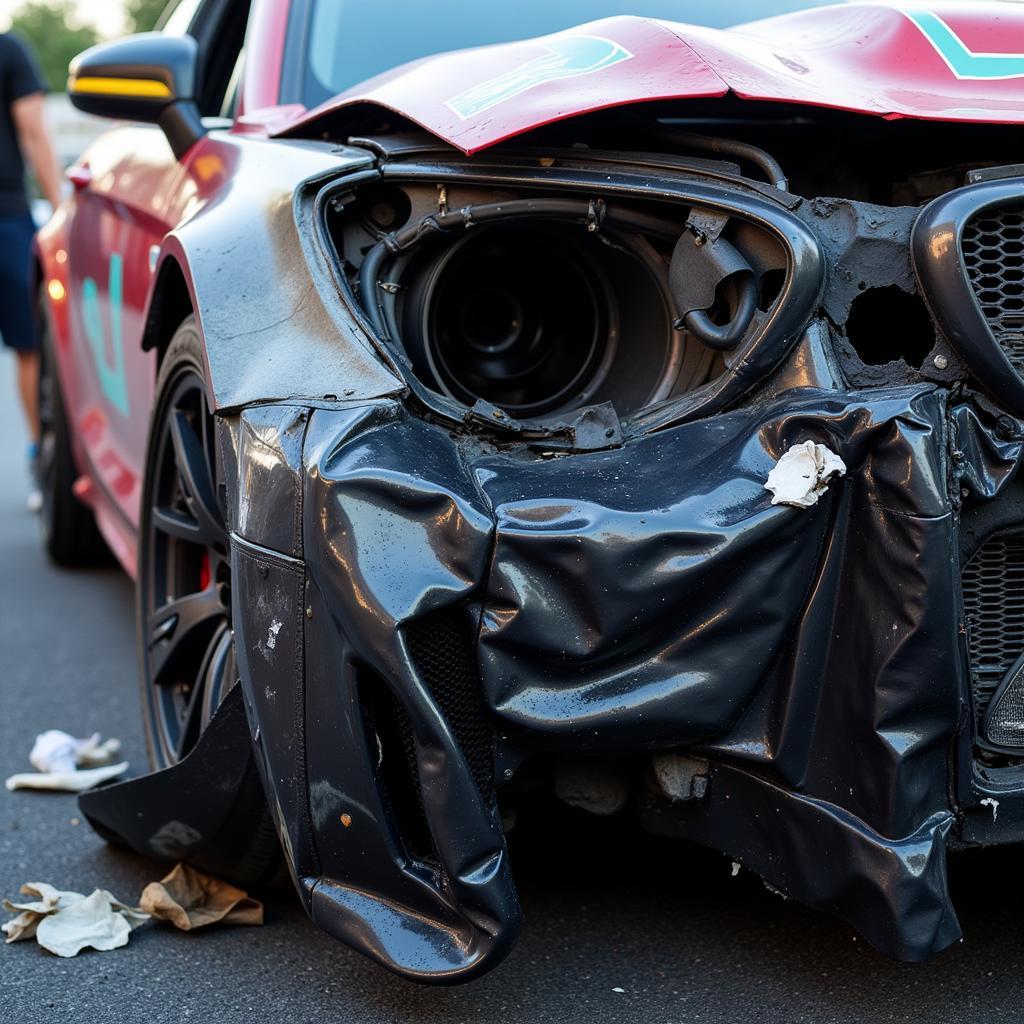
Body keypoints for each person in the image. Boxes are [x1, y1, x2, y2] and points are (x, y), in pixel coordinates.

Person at [0, 32, 61, 512]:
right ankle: (40, 457)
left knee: (27, 344)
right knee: (28, 346)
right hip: (7, 219)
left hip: (8, 217)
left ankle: (40, 455)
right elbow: (34, 131)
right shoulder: (9, 50)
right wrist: (61, 208)